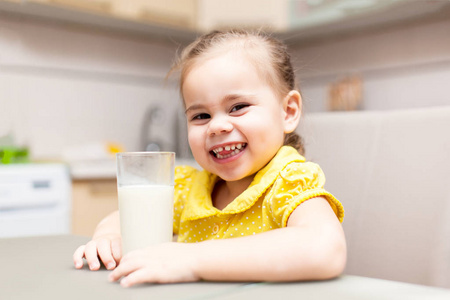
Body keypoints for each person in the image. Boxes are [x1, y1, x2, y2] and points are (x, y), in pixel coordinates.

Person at [73, 29, 346, 287]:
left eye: (238, 107)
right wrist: (109, 237)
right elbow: (122, 218)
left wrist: (190, 260)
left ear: (287, 112)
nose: (217, 126)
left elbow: (326, 249)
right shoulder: (189, 188)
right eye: (200, 115)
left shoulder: (288, 181)